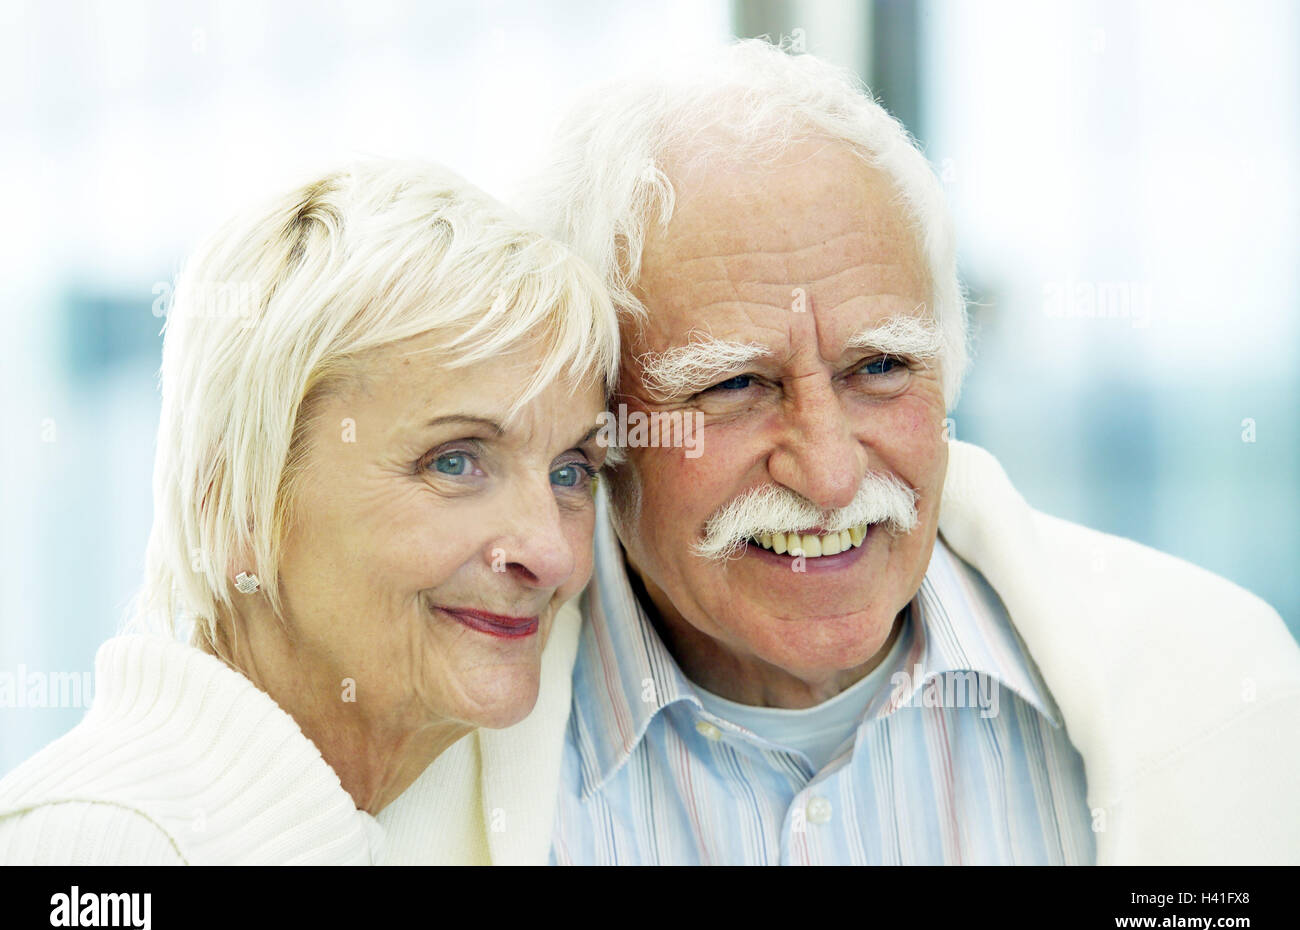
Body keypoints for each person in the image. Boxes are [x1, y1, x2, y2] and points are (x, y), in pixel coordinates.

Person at [380, 39, 1300, 864]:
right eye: (734, 386)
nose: (829, 474)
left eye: (882, 367)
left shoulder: (1219, 688)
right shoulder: (422, 741)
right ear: (596, 426)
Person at [0, 160, 618, 864]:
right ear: (236, 506)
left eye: (572, 472)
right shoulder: (92, 847)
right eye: (454, 462)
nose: (554, 554)